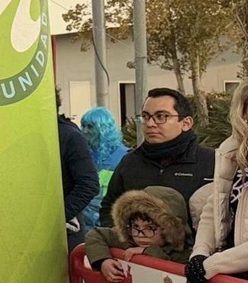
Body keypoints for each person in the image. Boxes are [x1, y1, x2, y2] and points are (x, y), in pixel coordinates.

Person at [99, 87, 215, 228]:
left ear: (186, 123)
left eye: (161, 117)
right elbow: (109, 208)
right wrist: (126, 240)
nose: (150, 124)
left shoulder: (212, 162)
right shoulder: (130, 162)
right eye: (146, 117)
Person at [190, 83, 248, 283]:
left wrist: (212, 265)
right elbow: (215, 206)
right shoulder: (231, 152)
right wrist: (199, 254)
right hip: (232, 277)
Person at [79, 106, 129, 232]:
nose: (84, 131)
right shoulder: (80, 154)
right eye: (83, 125)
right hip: (84, 223)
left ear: (103, 129)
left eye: (90, 126)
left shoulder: (125, 157)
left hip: (109, 223)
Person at [58, 100, 101, 245]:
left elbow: (89, 184)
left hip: (64, 236)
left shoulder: (68, 136)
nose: (87, 130)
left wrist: (58, 217)